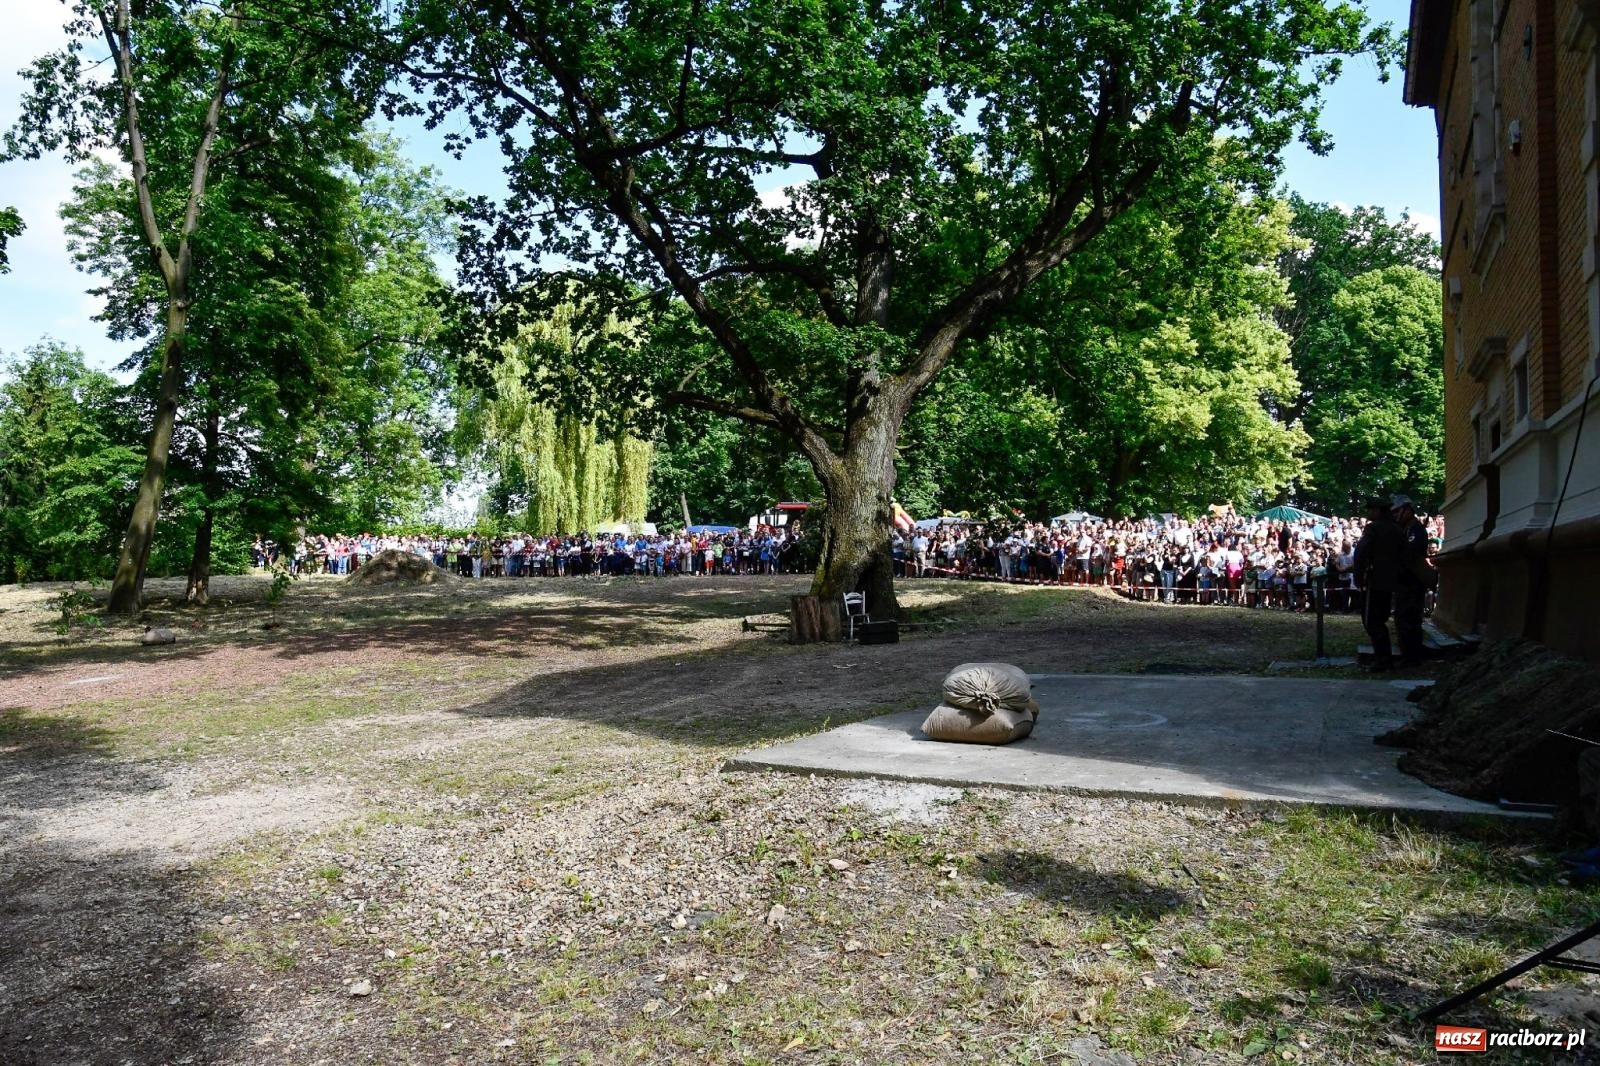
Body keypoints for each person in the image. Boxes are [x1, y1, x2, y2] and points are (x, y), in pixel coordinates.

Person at [1352, 497, 1406, 671]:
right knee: (1380, 620)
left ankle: (1383, 660)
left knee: (1372, 621)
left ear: (1378, 511)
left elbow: (1361, 552)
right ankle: (1384, 659)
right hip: (1392, 581)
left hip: (1375, 580)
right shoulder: (1397, 529)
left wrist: (1358, 576)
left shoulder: (1373, 528)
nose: (1369, 513)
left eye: (1371, 510)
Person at [1391, 494, 1433, 666]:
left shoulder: (1415, 530)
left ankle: (1411, 656)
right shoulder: (1406, 529)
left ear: (1407, 510)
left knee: (1408, 618)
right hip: (1404, 581)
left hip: (1412, 581)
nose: (1394, 516)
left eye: (1397, 512)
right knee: (1403, 618)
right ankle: (1409, 652)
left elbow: (1408, 554)